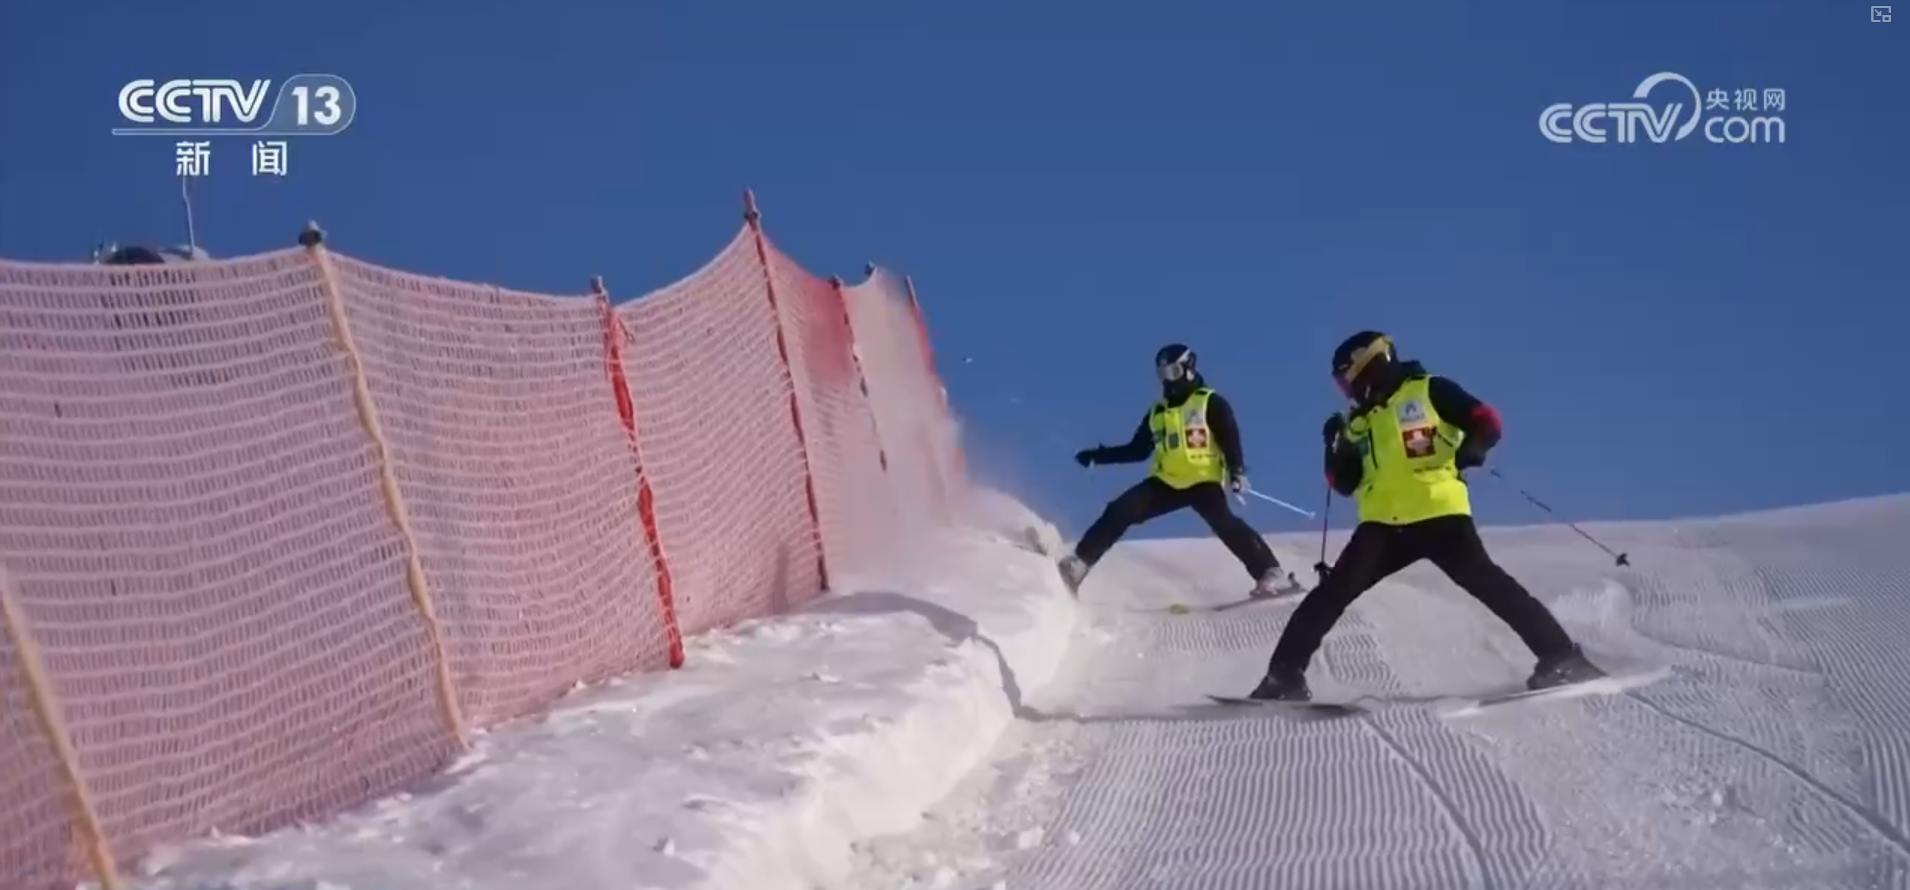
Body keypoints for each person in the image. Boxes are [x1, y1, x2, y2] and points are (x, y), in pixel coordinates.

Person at [1246, 331, 1606, 701]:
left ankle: (1562, 659)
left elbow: (1486, 419)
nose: (1346, 389)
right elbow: (1343, 482)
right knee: (1331, 594)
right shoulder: (1358, 423)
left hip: (1439, 515)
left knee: (1492, 586)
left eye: (1346, 377)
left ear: (1369, 364)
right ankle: (1282, 678)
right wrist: (1334, 446)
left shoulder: (1430, 391)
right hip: (1383, 526)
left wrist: (1474, 446)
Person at [1056, 343, 1305, 598]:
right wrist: (1098, 456)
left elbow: (1230, 437)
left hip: (1203, 481)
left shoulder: (1209, 402)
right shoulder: (1157, 412)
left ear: (1188, 368)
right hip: (1166, 483)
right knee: (1121, 509)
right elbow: (1138, 451)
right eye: (1162, 374)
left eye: (1173, 372)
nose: (1167, 380)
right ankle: (1078, 565)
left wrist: (1236, 471)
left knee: (1224, 522)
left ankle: (1271, 573)